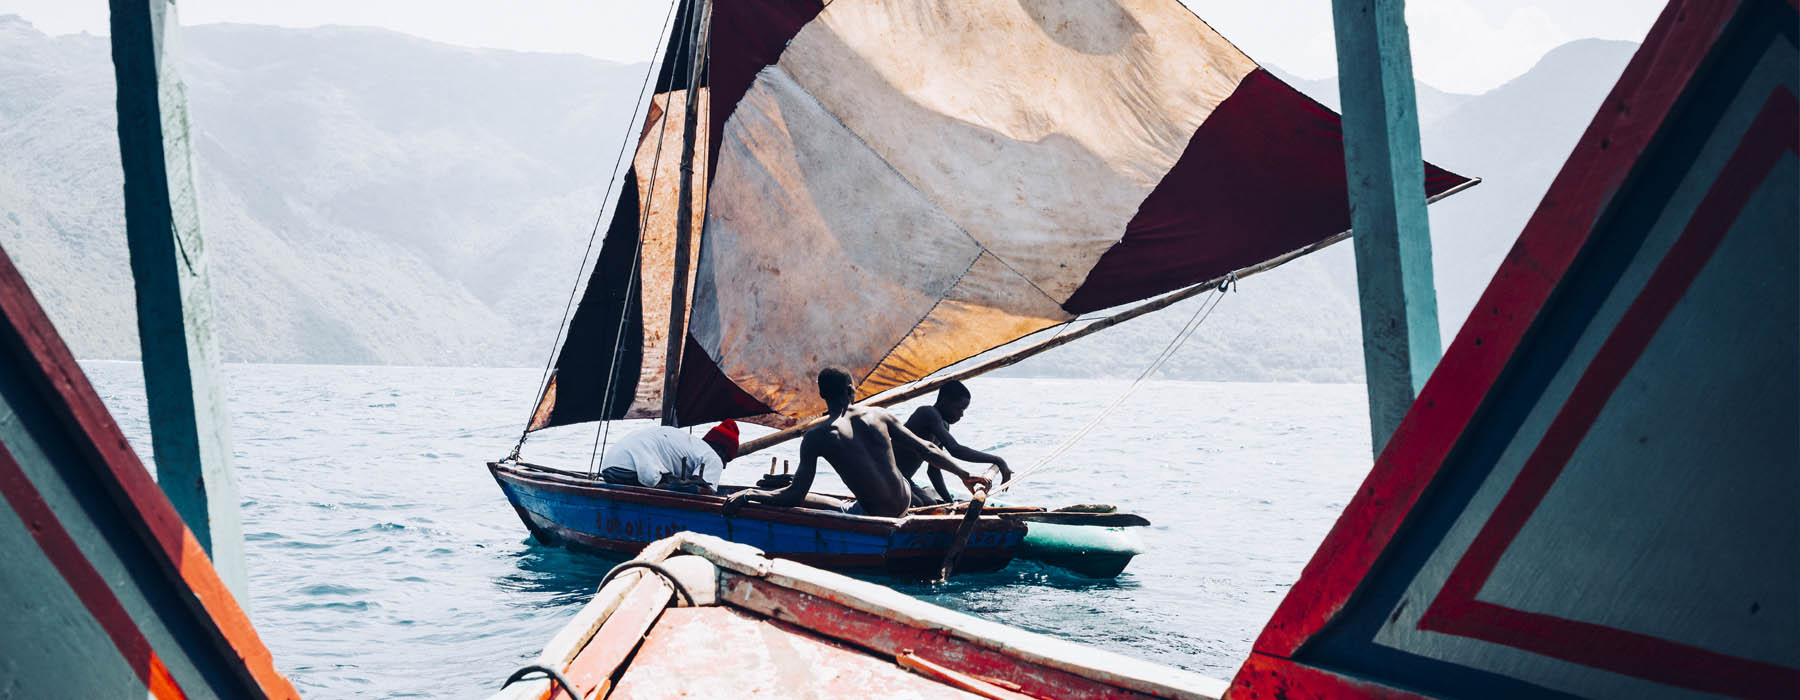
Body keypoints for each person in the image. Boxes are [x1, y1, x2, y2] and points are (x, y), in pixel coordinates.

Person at [722, 368, 988, 518]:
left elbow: (795, 497)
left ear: (822, 395)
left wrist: (750, 494)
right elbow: (926, 448)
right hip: (904, 501)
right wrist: (965, 474)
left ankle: (781, 483)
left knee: (821, 500)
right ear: (851, 390)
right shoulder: (879, 414)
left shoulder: (815, 437)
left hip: (876, 514)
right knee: (853, 501)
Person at [895, 380, 1011, 505]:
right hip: (890, 475)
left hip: (905, 479)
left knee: (932, 506)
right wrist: (998, 460)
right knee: (919, 505)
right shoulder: (928, 413)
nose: (961, 415)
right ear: (945, 402)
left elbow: (933, 471)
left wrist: (949, 502)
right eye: (959, 409)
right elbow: (955, 449)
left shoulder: (943, 425)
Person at [598, 420, 738, 495]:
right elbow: (704, 492)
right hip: (631, 470)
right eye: (726, 459)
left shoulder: (691, 445)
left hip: (610, 468)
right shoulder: (712, 457)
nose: (724, 465)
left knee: (674, 481)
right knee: (685, 488)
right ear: (719, 449)